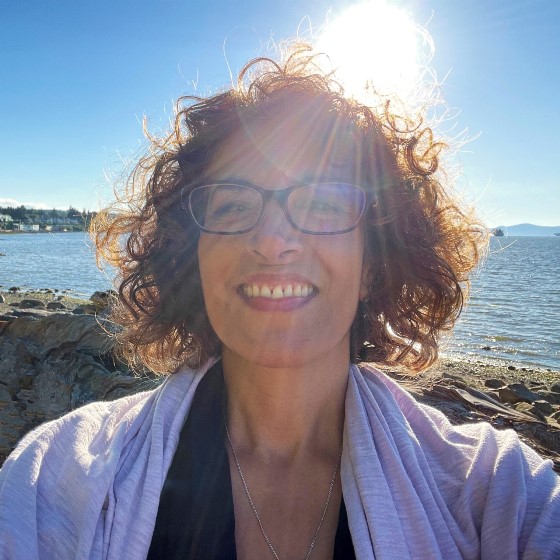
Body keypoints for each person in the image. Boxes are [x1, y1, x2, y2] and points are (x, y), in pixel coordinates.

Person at [1, 42, 559, 560]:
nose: (271, 241)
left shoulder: (492, 490)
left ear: (375, 261)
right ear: (192, 258)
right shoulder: (56, 474)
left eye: (322, 203)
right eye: (233, 204)